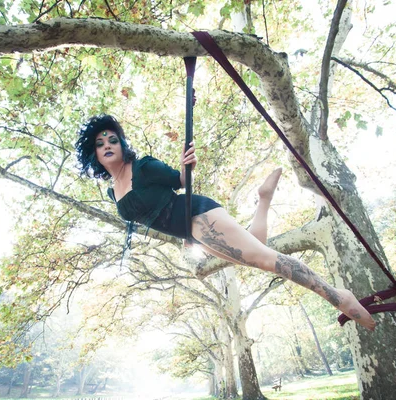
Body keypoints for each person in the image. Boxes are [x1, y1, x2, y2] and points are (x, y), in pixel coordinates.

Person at [75, 115, 376, 331]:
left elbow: (180, 182)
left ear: (122, 144)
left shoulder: (143, 166)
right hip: (188, 229)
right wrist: (182, 236)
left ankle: (337, 296)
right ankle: (264, 199)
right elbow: (151, 217)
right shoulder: (112, 192)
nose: (107, 144)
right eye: (101, 143)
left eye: (113, 139)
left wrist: (186, 164)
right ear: (95, 155)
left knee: (265, 259)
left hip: (197, 214)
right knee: (256, 256)